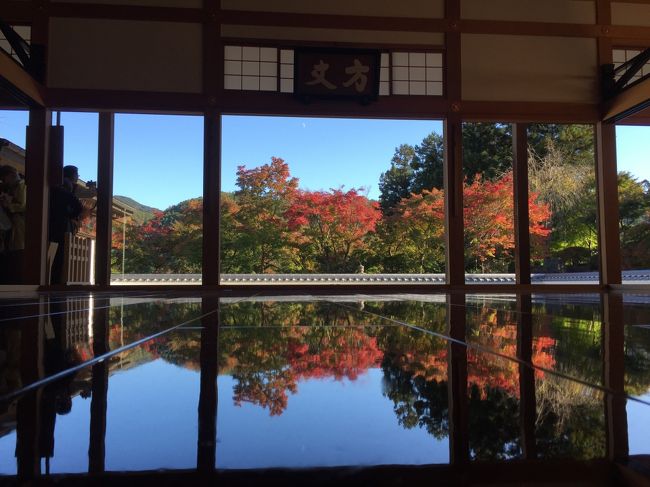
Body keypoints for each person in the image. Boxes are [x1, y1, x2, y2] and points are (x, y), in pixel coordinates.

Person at [49, 165, 84, 284]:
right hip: (62, 225)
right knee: (60, 255)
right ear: (72, 175)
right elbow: (78, 206)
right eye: (77, 174)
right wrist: (71, 216)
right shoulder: (65, 187)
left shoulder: (55, 187)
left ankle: (50, 280)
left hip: (50, 224)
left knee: (50, 254)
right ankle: (56, 282)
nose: (78, 177)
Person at [0, 165, 26, 251]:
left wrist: (8, 205)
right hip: (15, 225)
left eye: (4, 179)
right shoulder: (13, 187)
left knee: (19, 249)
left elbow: (22, 205)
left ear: (11, 175)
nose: (4, 182)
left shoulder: (21, 186)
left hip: (21, 224)